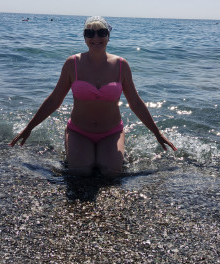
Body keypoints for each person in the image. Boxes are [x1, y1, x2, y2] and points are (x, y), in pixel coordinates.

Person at [10, 16, 176, 175]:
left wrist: (157, 133)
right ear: (84, 38)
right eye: (89, 33)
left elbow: (135, 102)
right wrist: (29, 128)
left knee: (111, 172)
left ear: (108, 36)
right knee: (80, 171)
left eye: (101, 32)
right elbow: (54, 100)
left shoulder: (121, 65)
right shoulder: (72, 64)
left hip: (111, 132)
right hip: (79, 131)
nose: (96, 37)